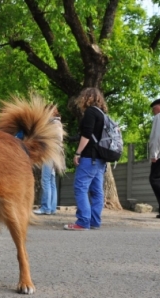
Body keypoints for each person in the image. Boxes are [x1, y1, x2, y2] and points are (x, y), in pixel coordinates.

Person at [64, 88, 107, 231]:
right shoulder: (103, 114)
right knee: (97, 191)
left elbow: (87, 135)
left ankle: (82, 222)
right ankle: (94, 221)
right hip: (101, 159)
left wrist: (78, 153)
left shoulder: (90, 112)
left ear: (86, 98)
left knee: (80, 188)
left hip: (90, 157)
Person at [34, 106, 63, 215]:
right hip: (56, 155)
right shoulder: (58, 124)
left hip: (49, 154)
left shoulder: (52, 124)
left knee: (45, 180)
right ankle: (52, 208)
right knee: (51, 181)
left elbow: (50, 141)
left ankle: (45, 207)